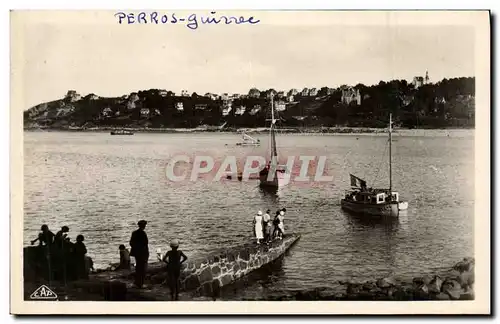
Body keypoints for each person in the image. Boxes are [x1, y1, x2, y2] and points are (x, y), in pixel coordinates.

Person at [129, 220, 149, 288]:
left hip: (136, 253)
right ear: (144, 226)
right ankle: (141, 283)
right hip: (143, 253)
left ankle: (137, 283)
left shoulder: (134, 233)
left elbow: (131, 243)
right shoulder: (143, 233)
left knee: (138, 268)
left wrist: (136, 249)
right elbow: (146, 243)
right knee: (143, 269)